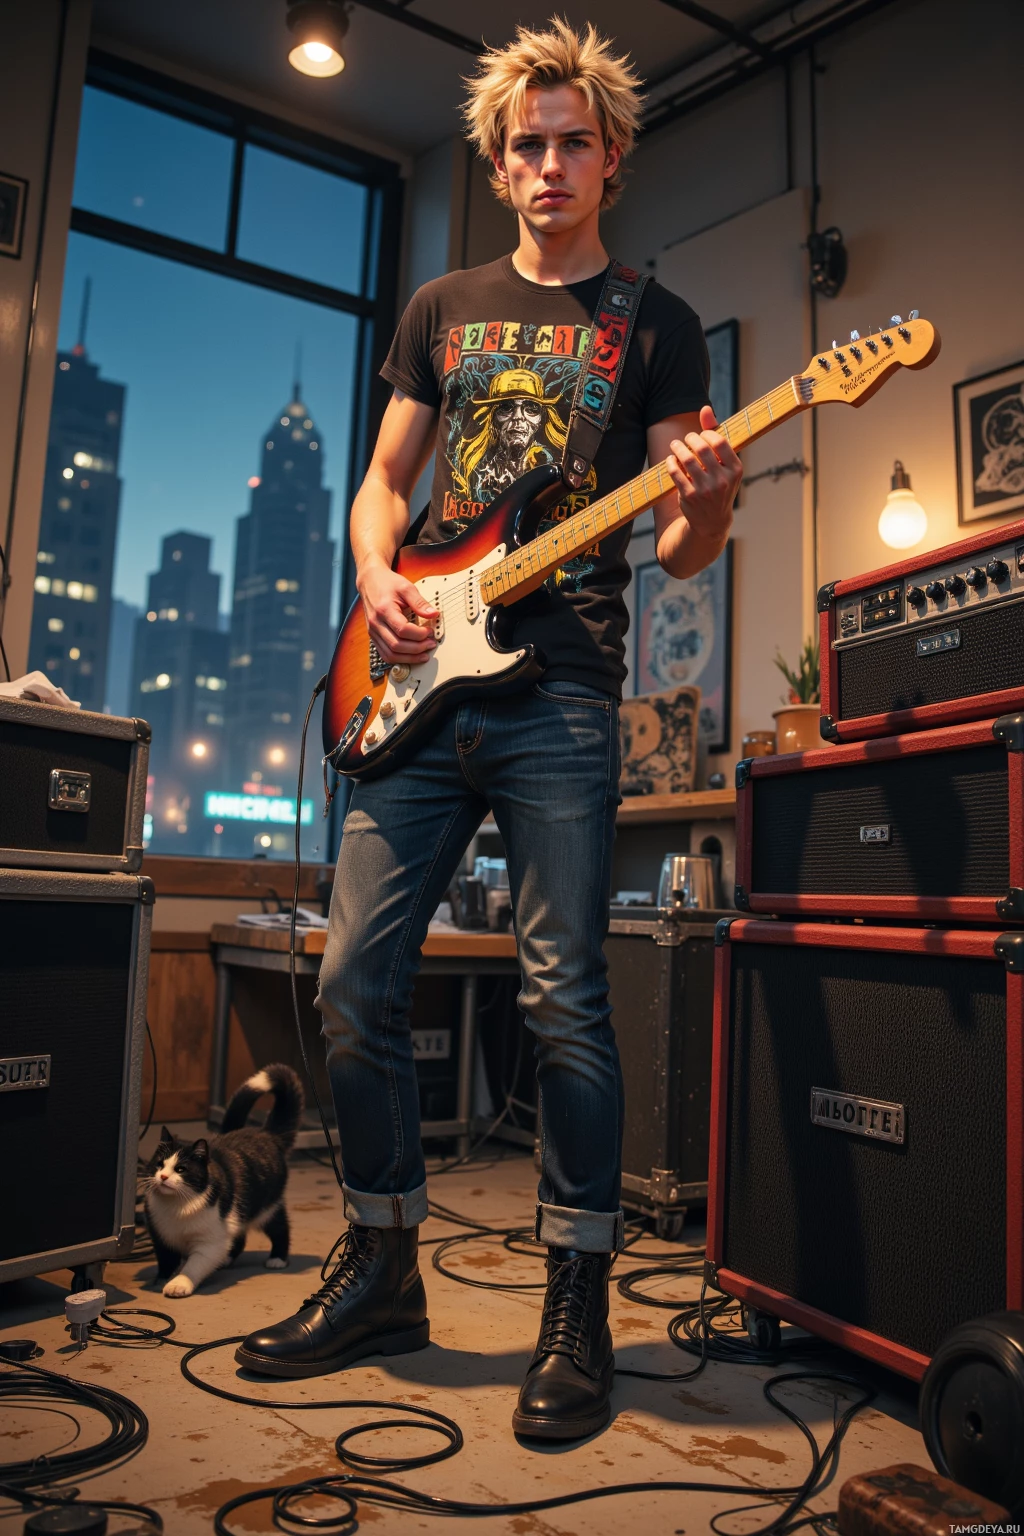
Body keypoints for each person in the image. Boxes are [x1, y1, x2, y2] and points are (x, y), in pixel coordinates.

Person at [237, 18, 742, 1441]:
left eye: (574, 140)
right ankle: (385, 1260)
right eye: (527, 144)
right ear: (500, 160)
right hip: (410, 690)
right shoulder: (442, 305)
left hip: (563, 693)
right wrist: (380, 583)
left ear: (612, 158)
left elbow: (690, 550)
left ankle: (575, 1300)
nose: (549, 163)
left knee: (564, 995)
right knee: (350, 983)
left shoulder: (658, 325)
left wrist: (705, 490)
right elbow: (381, 489)